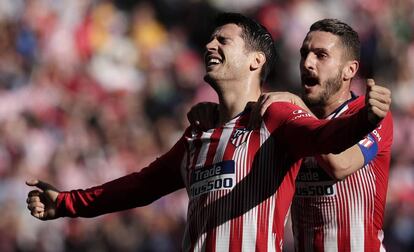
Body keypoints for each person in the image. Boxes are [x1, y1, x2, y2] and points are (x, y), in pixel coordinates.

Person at [26, 13, 391, 252]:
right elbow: (139, 186)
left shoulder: (281, 116)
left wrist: (366, 119)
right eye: (303, 54)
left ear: (256, 60)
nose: (208, 46)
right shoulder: (200, 134)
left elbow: (334, 155)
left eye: (223, 41)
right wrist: (66, 203)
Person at [188, 19, 393, 251]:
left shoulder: (367, 117)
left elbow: (341, 166)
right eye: (304, 53)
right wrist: (217, 114)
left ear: (350, 70)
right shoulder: (288, 120)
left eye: (321, 55)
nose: (307, 63)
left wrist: (298, 105)